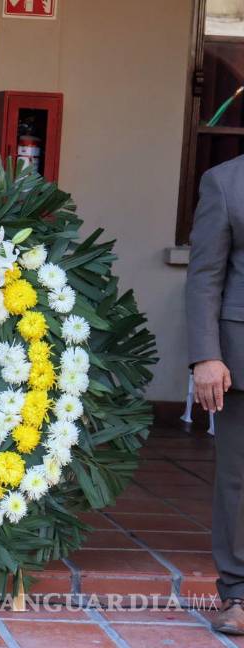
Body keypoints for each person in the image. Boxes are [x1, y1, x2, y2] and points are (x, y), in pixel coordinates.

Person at [188, 158, 244, 635]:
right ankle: (238, 593)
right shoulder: (224, 182)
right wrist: (207, 355)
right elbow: (205, 274)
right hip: (240, 358)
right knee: (239, 482)